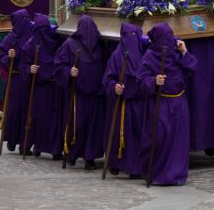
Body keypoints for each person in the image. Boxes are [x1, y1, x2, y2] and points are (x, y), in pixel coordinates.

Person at [138, 23, 198, 185]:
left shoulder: (177, 52)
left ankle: (176, 175)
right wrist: (154, 81)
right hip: (160, 103)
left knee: (179, 140)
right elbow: (141, 81)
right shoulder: (150, 56)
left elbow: (193, 68)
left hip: (179, 102)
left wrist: (185, 51)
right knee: (160, 138)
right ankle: (157, 173)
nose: (168, 41)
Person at [54, 15, 106, 169]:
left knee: (94, 127)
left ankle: (90, 157)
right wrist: (69, 71)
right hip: (78, 94)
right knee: (78, 125)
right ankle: (72, 153)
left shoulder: (101, 45)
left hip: (96, 93)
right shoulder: (70, 44)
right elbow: (58, 66)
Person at [102, 23, 146, 178]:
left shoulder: (144, 54)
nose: (131, 40)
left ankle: (136, 167)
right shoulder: (116, 56)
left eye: (135, 36)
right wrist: (114, 87)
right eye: (128, 37)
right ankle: (116, 163)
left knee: (137, 136)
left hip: (140, 104)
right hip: (122, 104)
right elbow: (107, 78)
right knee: (119, 136)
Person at [20, 13, 66, 158]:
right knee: (40, 118)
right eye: (41, 29)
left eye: (46, 28)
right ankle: (38, 145)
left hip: (56, 86)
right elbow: (24, 64)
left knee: (55, 119)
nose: (44, 32)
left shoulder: (57, 39)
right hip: (40, 88)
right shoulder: (31, 44)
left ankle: (56, 149)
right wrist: (29, 69)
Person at [0, 9, 33, 153]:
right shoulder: (10, 39)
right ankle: (12, 139)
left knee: (28, 112)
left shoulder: (32, 37)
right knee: (13, 112)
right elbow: (1, 59)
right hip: (15, 79)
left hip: (29, 80)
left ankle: (26, 144)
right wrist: (9, 57)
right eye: (23, 19)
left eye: (27, 18)